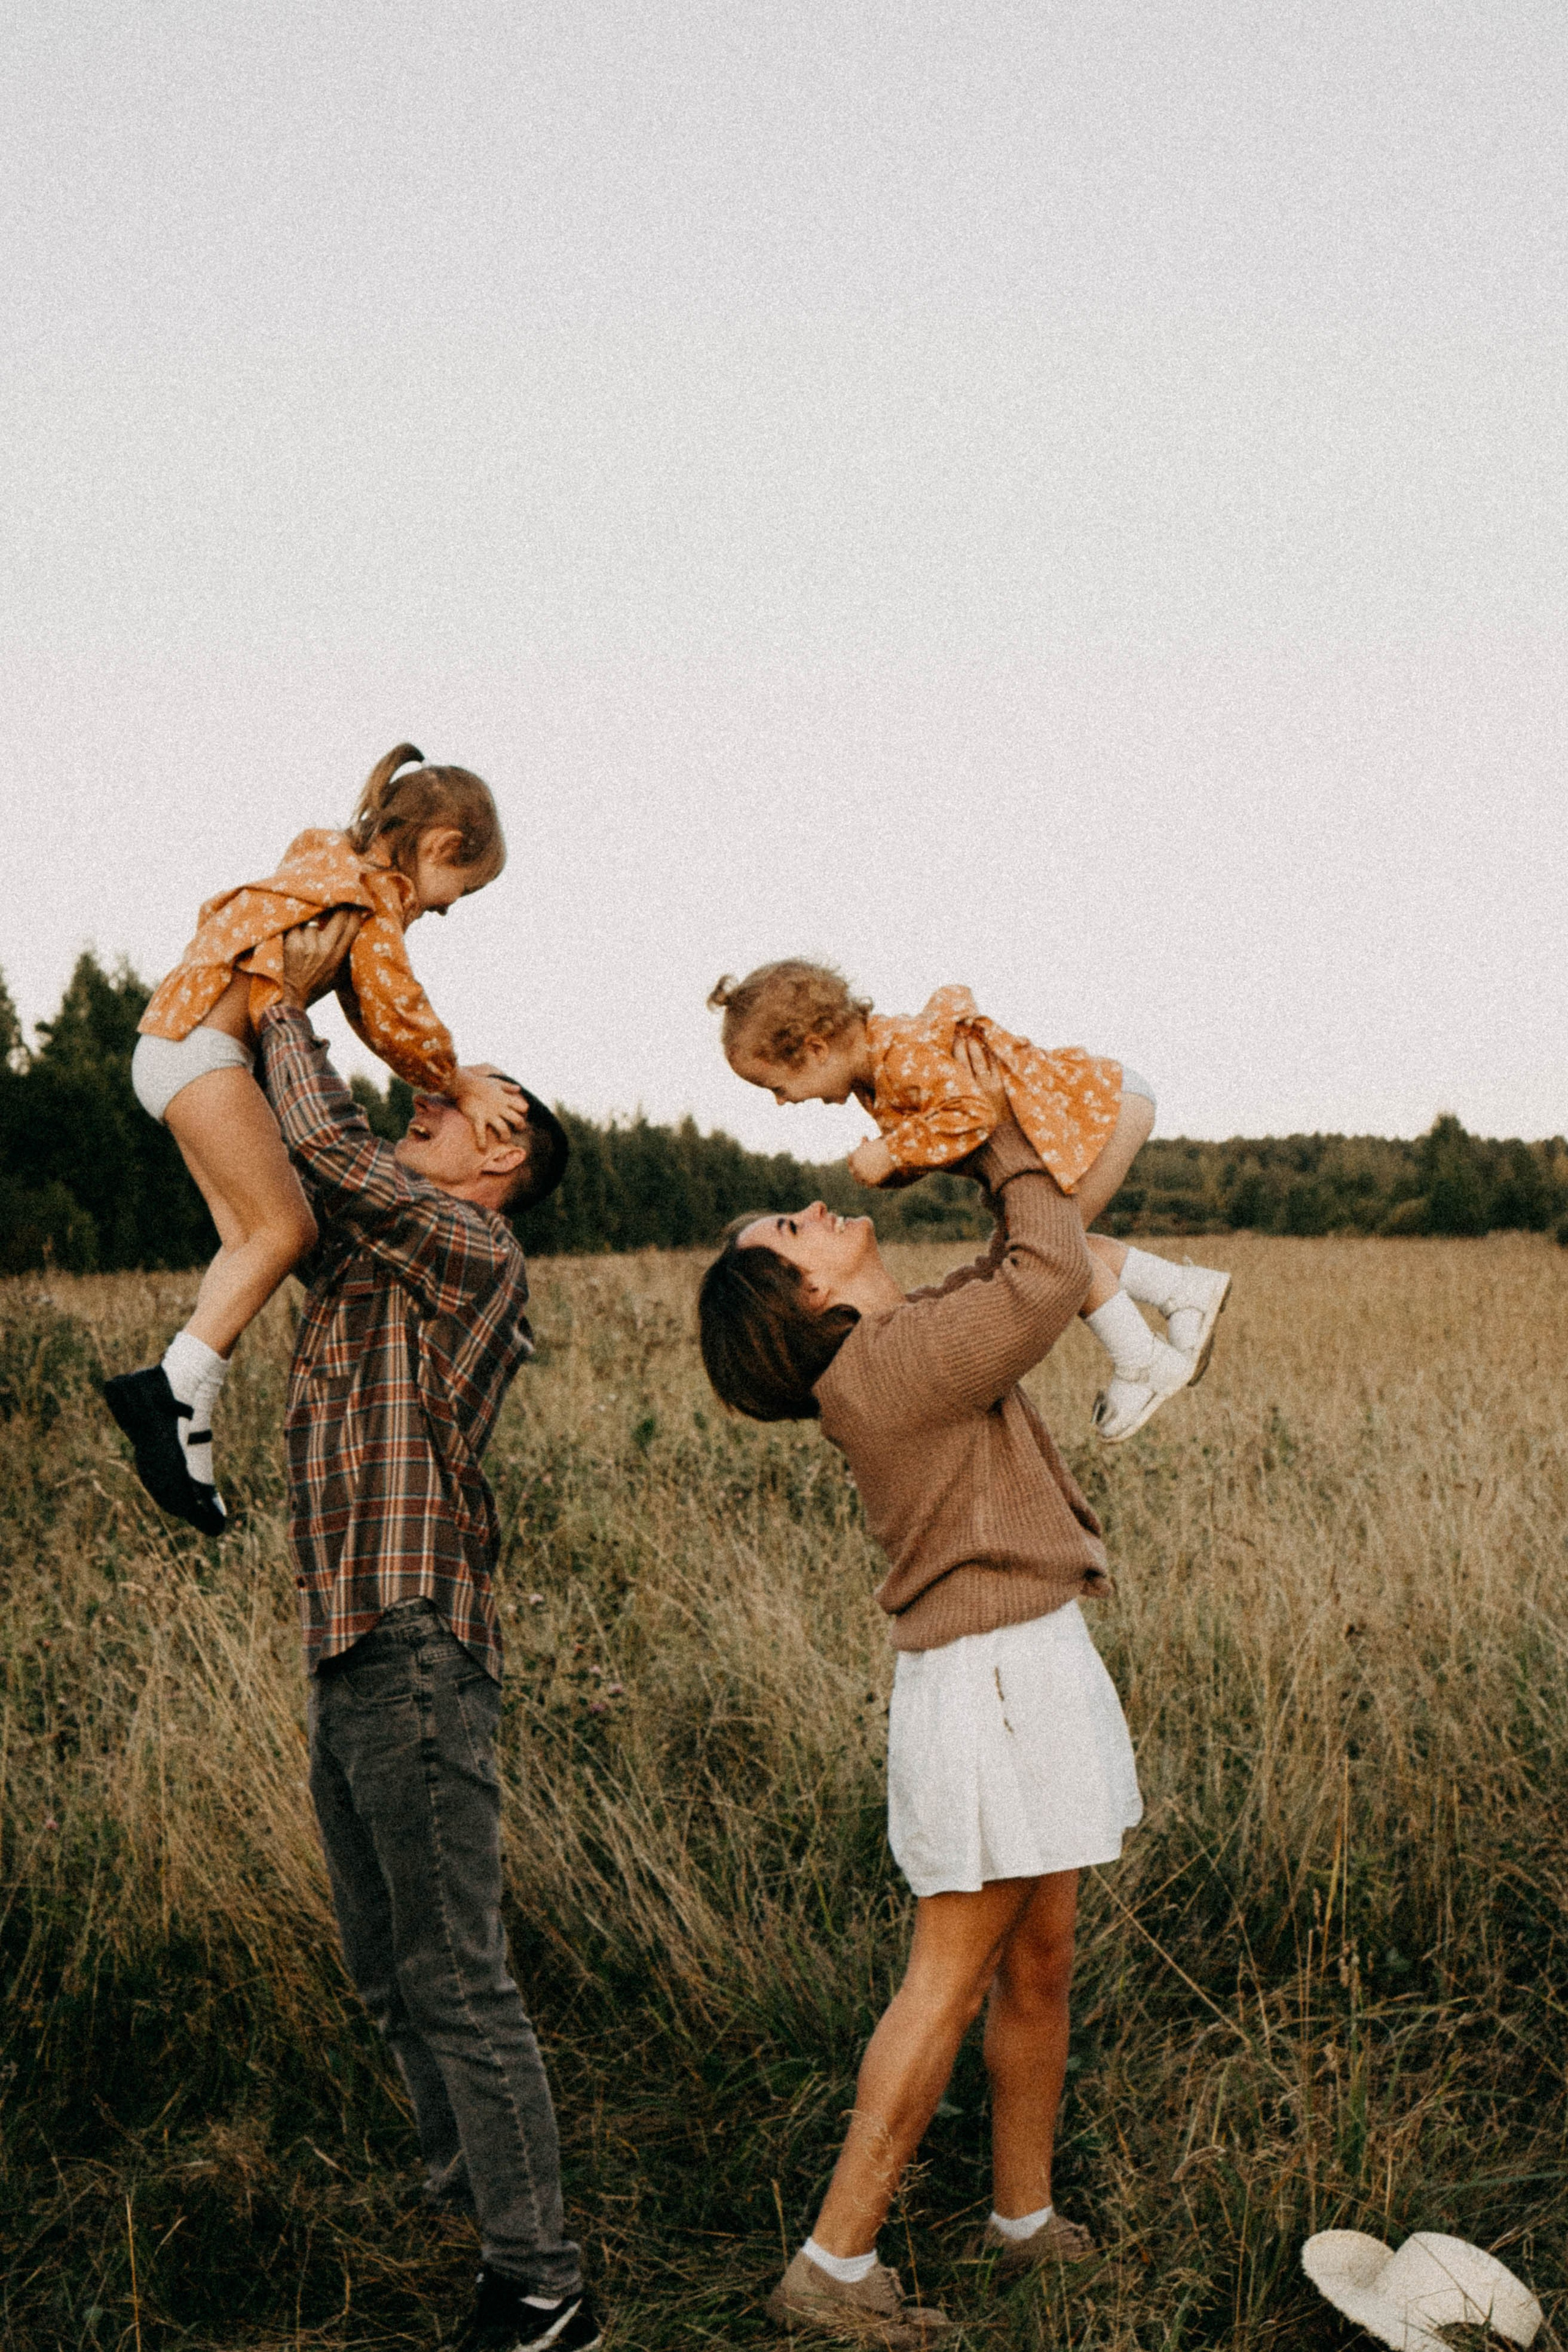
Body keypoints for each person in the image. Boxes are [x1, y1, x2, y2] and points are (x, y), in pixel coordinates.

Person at [697, 1038, 1142, 2345]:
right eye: (795, 1225)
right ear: (800, 1295)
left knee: (1039, 1962)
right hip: (992, 1682)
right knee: (946, 1979)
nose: (821, 1207)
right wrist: (998, 1127)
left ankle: (1020, 2224)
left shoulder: (908, 1339)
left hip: (1027, 1661)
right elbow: (1052, 1268)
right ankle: (831, 2266)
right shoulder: (885, 1374)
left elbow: (1023, 1263)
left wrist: (960, 1117)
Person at [252, 909, 603, 2352]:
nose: (436, 1087)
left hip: (408, 1640)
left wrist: (281, 1003)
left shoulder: (466, 1242)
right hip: (350, 1647)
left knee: (455, 1968)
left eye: (467, 1095)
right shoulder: (365, 1260)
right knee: (385, 1962)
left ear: (502, 1150)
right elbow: (292, 1179)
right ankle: (468, 2190)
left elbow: (326, 1146)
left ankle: (540, 2281)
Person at [103, 745, 524, 1535]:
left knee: (246, 1242)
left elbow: (366, 1009)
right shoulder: (368, 893)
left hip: (168, 1046)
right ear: (438, 849)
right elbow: (395, 1012)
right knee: (288, 1228)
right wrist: (456, 1077)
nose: (441, 912)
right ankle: (163, 1394)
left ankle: (188, 1453)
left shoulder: (323, 866)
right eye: (453, 896)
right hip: (205, 1051)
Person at [709, 960, 1231, 1442]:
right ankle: (1184, 1290)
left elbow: (975, 1117)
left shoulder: (900, 1058)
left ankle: (1141, 1358)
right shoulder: (880, 1078)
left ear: (816, 1049)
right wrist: (892, 1166)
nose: (782, 1101)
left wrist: (892, 1150)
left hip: (1098, 1109)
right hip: (1102, 1102)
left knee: (1048, 1251)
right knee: (1032, 1246)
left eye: (778, 1086)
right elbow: (943, 1140)